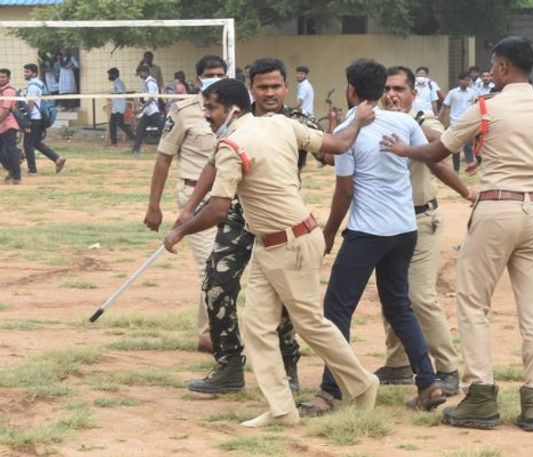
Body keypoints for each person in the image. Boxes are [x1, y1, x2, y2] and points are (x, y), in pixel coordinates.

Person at [381, 36, 533, 432]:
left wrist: (405, 150)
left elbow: (438, 152)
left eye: (492, 66)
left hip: (495, 208)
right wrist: (531, 177)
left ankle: (481, 397)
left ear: (504, 67)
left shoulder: (486, 107)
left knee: (474, 304)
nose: (489, 72)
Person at [164, 78, 381, 428]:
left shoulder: (231, 145)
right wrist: (357, 119)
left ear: (232, 108)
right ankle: (281, 408)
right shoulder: (280, 123)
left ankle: (363, 383)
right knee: (258, 327)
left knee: (309, 323)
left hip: (289, 243)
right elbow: (339, 143)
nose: (206, 115)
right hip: (275, 242)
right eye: (205, 107)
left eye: (211, 107)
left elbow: (219, 209)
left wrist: (179, 231)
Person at [299, 58, 446, 417]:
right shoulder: (405, 121)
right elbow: (422, 157)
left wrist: (329, 233)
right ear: (382, 90)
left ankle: (330, 392)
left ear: (350, 89)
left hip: (368, 232)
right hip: (404, 230)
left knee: (337, 310)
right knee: (399, 306)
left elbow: (344, 192)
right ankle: (428, 383)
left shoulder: (349, 130)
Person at [176, 58, 321, 395]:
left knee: (283, 292)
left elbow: (330, 152)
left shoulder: (297, 121)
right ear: (250, 88)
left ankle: (288, 368)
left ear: (286, 86)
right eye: (262, 87)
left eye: (276, 86)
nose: (270, 93)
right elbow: (214, 165)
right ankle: (228, 366)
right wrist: (189, 207)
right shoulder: (236, 120)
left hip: (279, 217)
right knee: (217, 282)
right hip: (239, 215)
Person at [372, 65, 474, 395]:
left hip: (421, 219)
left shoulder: (422, 118)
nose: (392, 94)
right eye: (387, 88)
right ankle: (398, 363)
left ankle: (447, 368)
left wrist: (409, 125)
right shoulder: (373, 118)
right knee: (392, 294)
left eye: (399, 89)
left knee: (419, 296)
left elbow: (439, 148)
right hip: (385, 221)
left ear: (413, 94)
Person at [143, 56, 227, 352]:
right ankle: (213, 336)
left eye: (219, 73)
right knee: (210, 267)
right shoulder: (183, 112)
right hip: (194, 198)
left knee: (227, 267)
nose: (214, 78)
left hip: (228, 199)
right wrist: (154, 205)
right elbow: (164, 157)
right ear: (198, 78)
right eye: (208, 74)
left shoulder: (240, 112)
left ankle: (214, 332)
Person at [22, 63, 66, 175]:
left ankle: (32, 170)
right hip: (41, 118)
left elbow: (30, 105)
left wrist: (26, 121)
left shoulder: (32, 86)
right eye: (25, 71)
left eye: (27, 72)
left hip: (35, 118)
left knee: (28, 144)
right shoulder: (40, 83)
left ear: (34, 73)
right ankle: (57, 158)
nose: (25, 74)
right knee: (35, 142)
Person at [439, 72, 478, 172]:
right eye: (463, 80)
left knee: (468, 146)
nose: (465, 82)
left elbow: (477, 106)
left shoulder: (473, 93)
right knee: (455, 146)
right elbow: (445, 105)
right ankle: (456, 169)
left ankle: (470, 167)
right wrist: (439, 117)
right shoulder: (452, 92)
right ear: (459, 81)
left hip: (469, 122)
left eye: (467, 80)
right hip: (455, 121)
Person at [131, 64, 164, 154]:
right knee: (140, 129)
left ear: (145, 72)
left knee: (164, 129)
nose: (140, 75)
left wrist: (142, 107)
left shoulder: (151, 82)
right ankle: (135, 150)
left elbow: (152, 98)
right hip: (148, 111)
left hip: (153, 110)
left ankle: (173, 147)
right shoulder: (147, 82)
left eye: (140, 73)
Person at [0, 68, 21, 185]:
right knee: (2, 153)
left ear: (8, 78)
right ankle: (12, 170)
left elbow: (7, 110)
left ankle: (17, 176)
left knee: (11, 150)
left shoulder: (9, 91)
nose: (1, 79)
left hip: (8, 125)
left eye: (3, 77)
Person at [107, 67, 135, 146]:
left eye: (110, 74)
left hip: (119, 107)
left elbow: (120, 93)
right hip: (117, 107)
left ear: (114, 75)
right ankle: (114, 142)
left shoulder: (118, 82)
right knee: (112, 123)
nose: (109, 76)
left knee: (120, 124)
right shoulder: (117, 82)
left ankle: (134, 138)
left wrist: (112, 95)